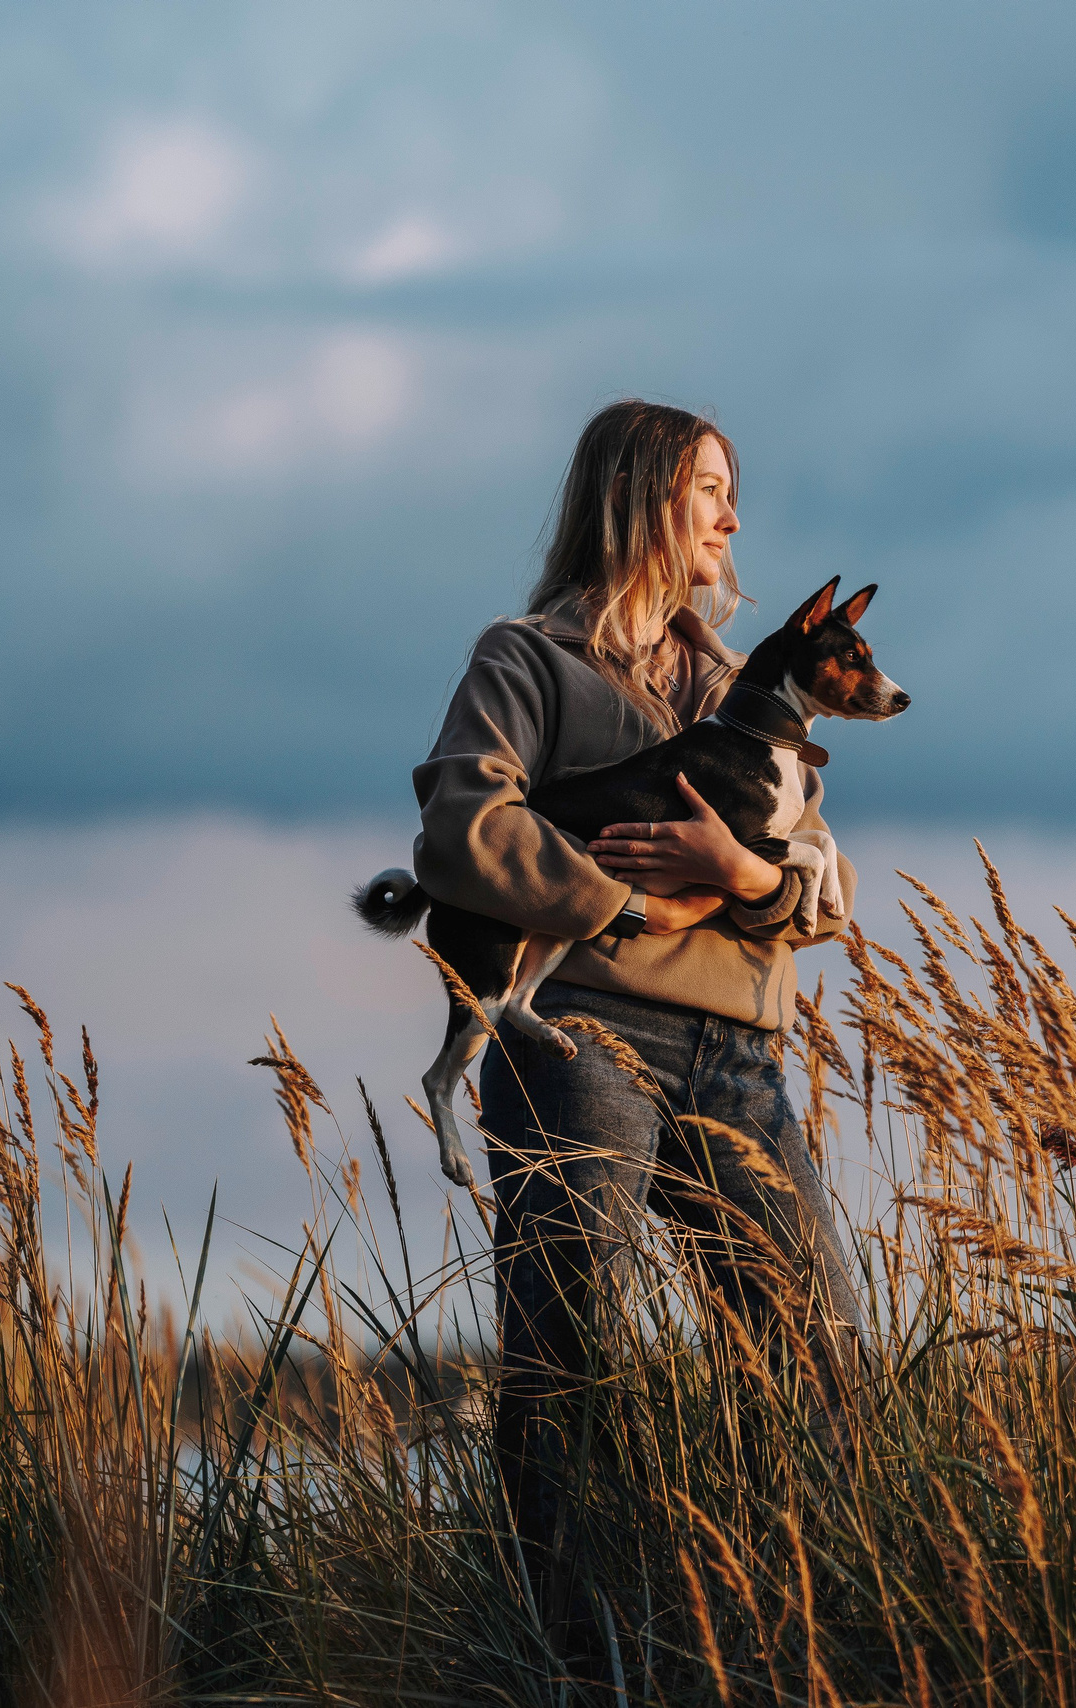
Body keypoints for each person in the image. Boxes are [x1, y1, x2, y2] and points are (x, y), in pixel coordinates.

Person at [406, 399, 863, 1660]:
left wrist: (747, 873)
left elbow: (828, 879)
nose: (731, 515)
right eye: (709, 487)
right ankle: (568, 1658)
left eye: (731, 490)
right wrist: (627, 900)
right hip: (576, 1040)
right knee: (569, 1354)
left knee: (813, 1346)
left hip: (739, 1055)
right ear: (638, 498)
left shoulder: (744, 684)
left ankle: (795, 1644)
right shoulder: (526, 658)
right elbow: (458, 827)